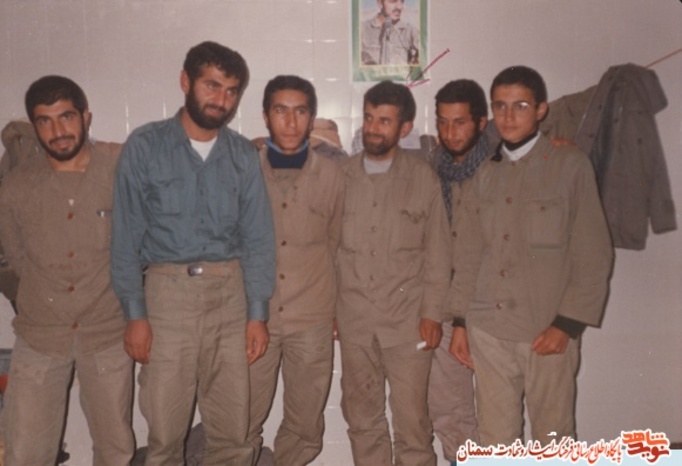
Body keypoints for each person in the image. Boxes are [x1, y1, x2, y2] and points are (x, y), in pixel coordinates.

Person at [110, 41, 275, 465]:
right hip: (167, 297)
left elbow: (258, 238)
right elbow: (125, 237)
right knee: (166, 435)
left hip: (230, 296)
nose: (222, 100)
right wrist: (135, 315)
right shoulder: (145, 146)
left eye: (232, 91)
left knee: (232, 433)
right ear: (185, 82)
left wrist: (257, 314)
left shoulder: (242, 155)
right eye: (212, 85)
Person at [449, 66, 613, 446]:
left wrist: (567, 325)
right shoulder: (484, 174)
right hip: (489, 329)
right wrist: (460, 321)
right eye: (500, 106)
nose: (509, 117)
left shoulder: (569, 165)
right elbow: (469, 254)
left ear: (541, 110)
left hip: (546, 329)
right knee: (495, 441)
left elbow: (593, 252)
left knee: (553, 438)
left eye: (520, 106)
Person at [0, 76, 134, 465]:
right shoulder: (16, 187)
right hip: (40, 335)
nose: (58, 131)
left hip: (107, 332)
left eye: (67, 117)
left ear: (85, 117)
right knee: (26, 452)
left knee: (115, 450)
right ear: (34, 126)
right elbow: (17, 258)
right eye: (45, 121)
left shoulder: (119, 172)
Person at [336, 80, 450, 466]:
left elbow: (438, 254)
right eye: (369, 118)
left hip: (408, 325)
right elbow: (329, 251)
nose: (373, 128)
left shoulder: (423, 178)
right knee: (361, 420)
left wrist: (432, 314)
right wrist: (332, 311)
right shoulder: (341, 177)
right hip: (355, 323)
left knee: (413, 425)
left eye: (384, 121)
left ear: (404, 128)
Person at [247, 75, 344, 466]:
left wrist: (337, 312)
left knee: (305, 427)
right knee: (240, 421)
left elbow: (338, 246)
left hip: (313, 319)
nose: (290, 122)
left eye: (300, 112)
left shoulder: (334, 176)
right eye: (281, 111)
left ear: (311, 117)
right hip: (254, 319)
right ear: (265, 116)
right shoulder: (244, 172)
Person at [426, 80, 490, 464]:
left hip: (495, 309)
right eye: (443, 122)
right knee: (449, 411)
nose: (450, 133)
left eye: (460, 122)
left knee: (499, 415)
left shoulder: (504, 168)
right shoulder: (432, 168)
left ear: (481, 123)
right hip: (449, 308)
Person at [361, 0, 419, 66]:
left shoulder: (410, 31)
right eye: (393, 1)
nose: (399, 7)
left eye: (402, 1)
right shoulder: (362, 29)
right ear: (380, 3)